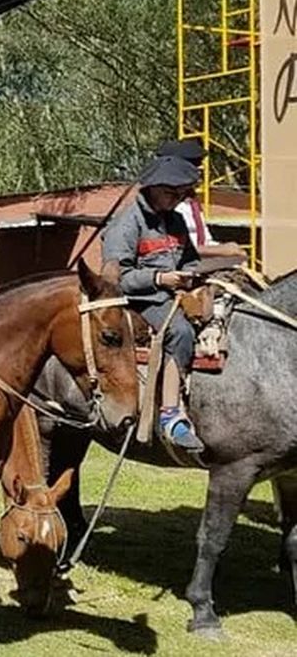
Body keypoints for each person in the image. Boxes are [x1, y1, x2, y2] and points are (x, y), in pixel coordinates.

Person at [103, 154, 205, 452]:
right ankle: (171, 416)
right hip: (141, 298)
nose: (177, 200)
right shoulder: (126, 223)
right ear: (153, 188)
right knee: (181, 332)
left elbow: (190, 259)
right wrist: (160, 279)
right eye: (172, 193)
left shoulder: (175, 220)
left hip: (173, 292)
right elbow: (116, 279)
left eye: (182, 194)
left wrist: (197, 276)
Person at [157, 138, 247, 260]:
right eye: (195, 166)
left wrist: (225, 249)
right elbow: (174, 249)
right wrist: (223, 251)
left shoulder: (191, 202)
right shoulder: (165, 204)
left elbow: (204, 241)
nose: (200, 172)